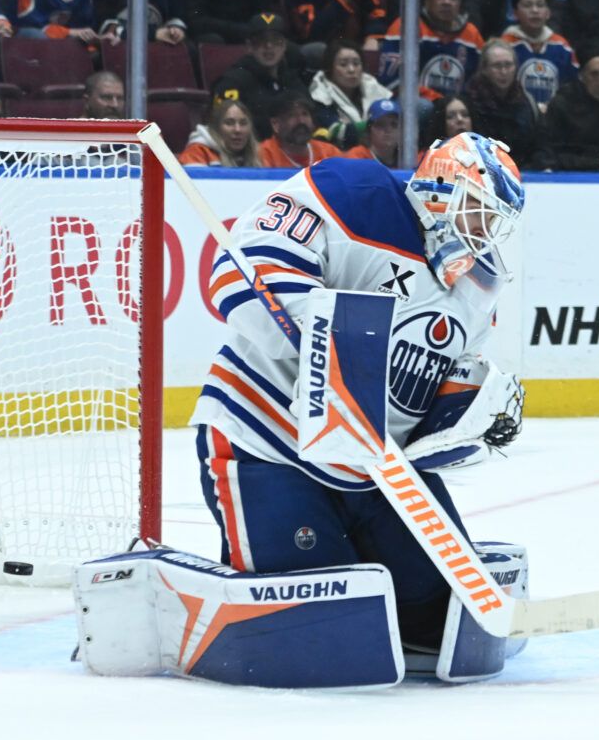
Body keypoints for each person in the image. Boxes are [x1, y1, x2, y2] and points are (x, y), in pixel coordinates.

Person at [175, 136, 530, 680]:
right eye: (477, 212)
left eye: (494, 222)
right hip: (268, 441)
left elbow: (430, 399)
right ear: (439, 189)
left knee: (440, 621)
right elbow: (240, 278)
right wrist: (331, 347)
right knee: (318, 621)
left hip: (377, 469)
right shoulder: (350, 191)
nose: (483, 233)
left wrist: (472, 415)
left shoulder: (477, 288)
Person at [500, 0, 579, 108]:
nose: (535, 10)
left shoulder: (562, 47)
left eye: (540, 5)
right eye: (527, 5)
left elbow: (571, 87)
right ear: (515, 13)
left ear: (548, 13)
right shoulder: (505, 46)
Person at [464, 39, 544, 166]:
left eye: (508, 65)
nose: (504, 72)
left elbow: (537, 147)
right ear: (484, 69)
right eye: (497, 66)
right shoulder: (467, 102)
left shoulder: (527, 102)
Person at [308, 39, 393, 142]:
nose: (352, 70)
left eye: (356, 64)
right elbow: (337, 132)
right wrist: (377, 123)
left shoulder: (371, 85)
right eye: (343, 64)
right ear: (330, 69)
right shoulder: (319, 94)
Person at [256, 94, 343, 168]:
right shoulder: (263, 154)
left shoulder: (330, 153)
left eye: (305, 114)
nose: (301, 121)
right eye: (292, 115)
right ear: (275, 124)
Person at [180, 97, 263, 167]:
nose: (237, 130)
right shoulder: (197, 152)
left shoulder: (259, 154)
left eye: (243, 123)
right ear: (216, 128)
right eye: (229, 123)